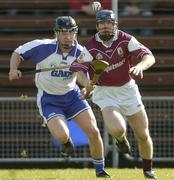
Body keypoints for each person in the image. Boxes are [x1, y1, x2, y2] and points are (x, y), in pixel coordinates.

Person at [8, 16, 110, 178]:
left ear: (75, 33)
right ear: (56, 33)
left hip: (73, 96)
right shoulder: (42, 47)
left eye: (71, 32)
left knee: (94, 131)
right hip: (49, 100)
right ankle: (67, 144)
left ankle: (100, 170)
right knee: (62, 136)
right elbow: (18, 53)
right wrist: (14, 69)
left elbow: (82, 76)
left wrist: (87, 87)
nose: (67, 36)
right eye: (63, 33)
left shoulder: (82, 53)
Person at [70, 10, 157, 179]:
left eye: (108, 23)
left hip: (127, 89)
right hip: (104, 92)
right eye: (101, 24)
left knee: (143, 134)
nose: (105, 27)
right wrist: (86, 83)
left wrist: (140, 66)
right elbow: (79, 71)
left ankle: (148, 170)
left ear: (115, 25)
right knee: (117, 129)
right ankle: (120, 139)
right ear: (97, 27)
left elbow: (149, 56)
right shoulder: (91, 46)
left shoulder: (126, 39)